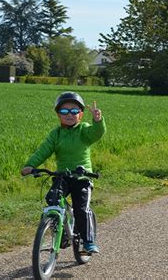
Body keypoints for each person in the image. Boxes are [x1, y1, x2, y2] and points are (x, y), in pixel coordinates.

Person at [21, 91, 106, 254]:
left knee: (81, 209)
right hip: (62, 177)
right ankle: (61, 231)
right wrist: (30, 165)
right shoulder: (56, 134)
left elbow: (97, 133)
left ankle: (88, 241)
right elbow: (43, 151)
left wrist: (97, 121)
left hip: (82, 177)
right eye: (64, 111)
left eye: (74, 111)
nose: (69, 114)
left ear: (80, 115)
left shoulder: (84, 130)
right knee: (51, 199)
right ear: (58, 114)